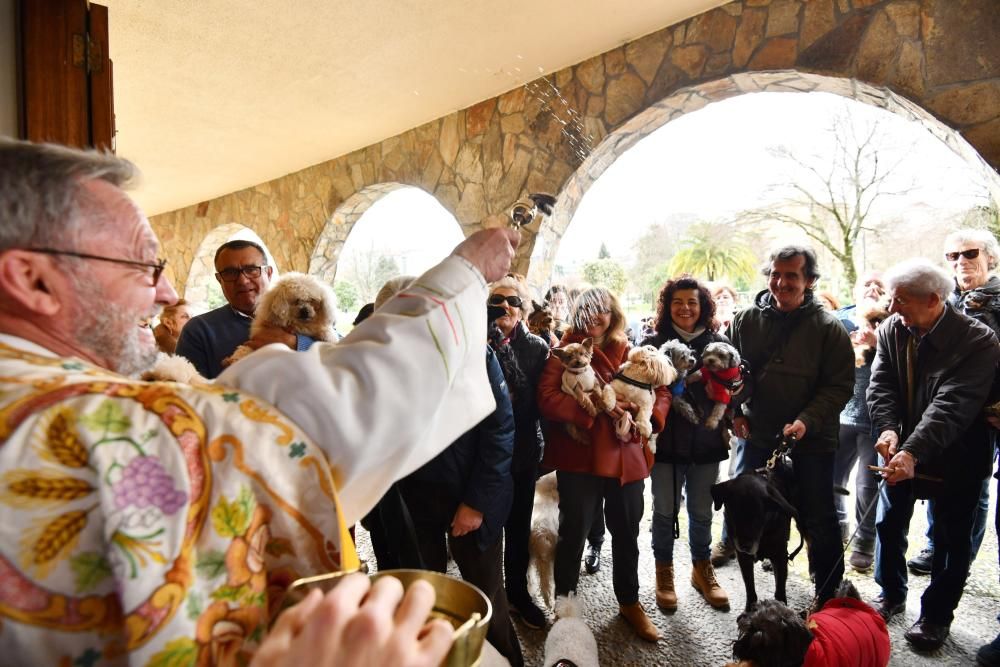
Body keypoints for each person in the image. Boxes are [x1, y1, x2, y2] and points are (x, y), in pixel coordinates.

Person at [0, 139, 518, 664]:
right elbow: (322, 415)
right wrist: (464, 274)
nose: (166, 293)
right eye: (143, 266)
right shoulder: (94, 429)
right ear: (33, 279)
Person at [868, 258, 1000, 652]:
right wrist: (889, 429)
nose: (891, 309)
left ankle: (936, 616)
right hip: (903, 448)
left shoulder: (978, 340)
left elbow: (953, 405)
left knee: (951, 539)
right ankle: (890, 593)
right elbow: (882, 383)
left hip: (959, 453)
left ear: (932, 299)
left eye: (900, 300)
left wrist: (912, 450)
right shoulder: (894, 328)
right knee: (889, 522)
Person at [722, 245, 854, 610]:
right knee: (745, 503)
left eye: (791, 276)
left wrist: (805, 421)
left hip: (812, 439)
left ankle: (827, 596)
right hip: (759, 434)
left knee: (817, 517)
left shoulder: (830, 329)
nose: (780, 283)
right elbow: (731, 374)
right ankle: (747, 572)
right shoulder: (745, 320)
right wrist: (735, 411)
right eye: (775, 274)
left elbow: (839, 387)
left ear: (809, 281)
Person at [537, 287, 670, 642]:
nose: (595, 318)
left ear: (613, 314)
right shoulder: (564, 350)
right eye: (587, 311)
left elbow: (663, 389)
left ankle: (629, 602)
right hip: (579, 455)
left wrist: (650, 418)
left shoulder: (629, 347)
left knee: (627, 531)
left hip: (626, 453)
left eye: (603, 311)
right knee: (573, 531)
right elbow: (548, 398)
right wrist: (595, 414)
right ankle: (565, 610)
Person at [396, 343, 523, 666]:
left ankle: (509, 660)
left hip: (470, 494)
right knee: (426, 595)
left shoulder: (476, 352)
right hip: (414, 496)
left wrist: (477, 504)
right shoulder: (391, 355)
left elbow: (500, 431)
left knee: (486, 596)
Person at [907, 229, 1000, 577]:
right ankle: (938, 546)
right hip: (951, 411)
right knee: (939, 478)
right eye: (953, 256)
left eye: (970, 253)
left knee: (973, 491)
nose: (961, 261)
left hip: (987, 413)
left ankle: (961, 557)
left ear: (989, 257)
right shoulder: (948, 300)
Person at [640, 276, 731, 612]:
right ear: (668, 306)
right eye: (678, 302)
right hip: (665, 442)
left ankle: (701, 567)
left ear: (703, 305)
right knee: (664, 510)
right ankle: (664, 570)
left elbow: (739, 379)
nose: (685, 309)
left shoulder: (718, 341)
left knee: (701, 511)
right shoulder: (653, 342)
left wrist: (731, 391)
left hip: (706, 440)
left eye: (692, 302)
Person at [487, 274, 550, 630]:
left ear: (525, 310)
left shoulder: (537, 348)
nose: (505, 307)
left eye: (513, 301)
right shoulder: (473, 342)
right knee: (485, 530)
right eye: (497, 300)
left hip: (522, 452)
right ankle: (490, 596)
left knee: (517, 526)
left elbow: (530, 406)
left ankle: (518, 593)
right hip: (480, 455)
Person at [175, 239, 312, 378]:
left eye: (251, 270)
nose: (243, 280)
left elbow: (333, 352)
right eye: (230, 272)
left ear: (269, 273)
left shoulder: (303, 313)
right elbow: (188, 392)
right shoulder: (199, 330)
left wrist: (295, 344)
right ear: (219, 279)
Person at [831, 271, 886, 573]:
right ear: (854, 291)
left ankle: (864, 542)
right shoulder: (841, 320)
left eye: (880, 286)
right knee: (831, 479)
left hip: (875, 417)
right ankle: (837, 529)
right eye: (867, 285)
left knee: (868, 484)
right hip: (840, 413)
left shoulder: (893, 321)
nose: (873, 289)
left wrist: (877, 342)